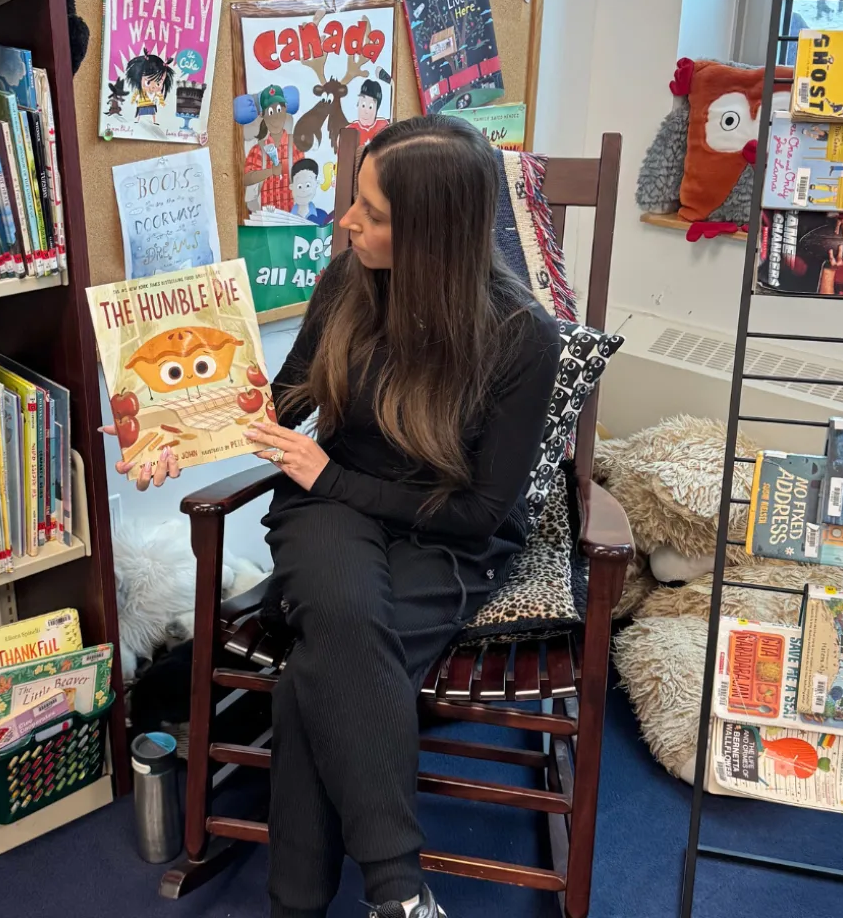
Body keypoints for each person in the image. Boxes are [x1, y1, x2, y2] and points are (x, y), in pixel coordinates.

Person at [103, 115, 561, 918]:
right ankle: (400, 893)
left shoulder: (523, 338)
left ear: (434, 236)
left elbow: (482, 508)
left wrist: (330, 475)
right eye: (355, 200)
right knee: (345, 617)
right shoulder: (347, 282)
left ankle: (300, 908)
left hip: (444, 531)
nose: (346, 221)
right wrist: (170, 420)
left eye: (373, 213)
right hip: (326, 510)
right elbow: (277, 402)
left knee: (319, 671)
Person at [244, 85, 305, 213]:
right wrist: (270, 171)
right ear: (263, 116)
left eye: (279, 110)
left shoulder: (295, 146)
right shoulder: (258, 150)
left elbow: (304, 176)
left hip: (292, 216)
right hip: (267, 218)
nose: (275, 117)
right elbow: (247, 179)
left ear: (285, 110)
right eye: (270, 112)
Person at [343, 78, 389, 147]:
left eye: (370, 107)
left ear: (377, 109)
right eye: (363, 105)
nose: (366, 111)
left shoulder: (384, 127)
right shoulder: (350, 131)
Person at [290, 159, 332, 226]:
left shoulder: (322, 215)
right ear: (291, 187)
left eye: (308, 185)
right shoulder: (286, 217)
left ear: (316, 184)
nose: (303, 190)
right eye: (299, 186)